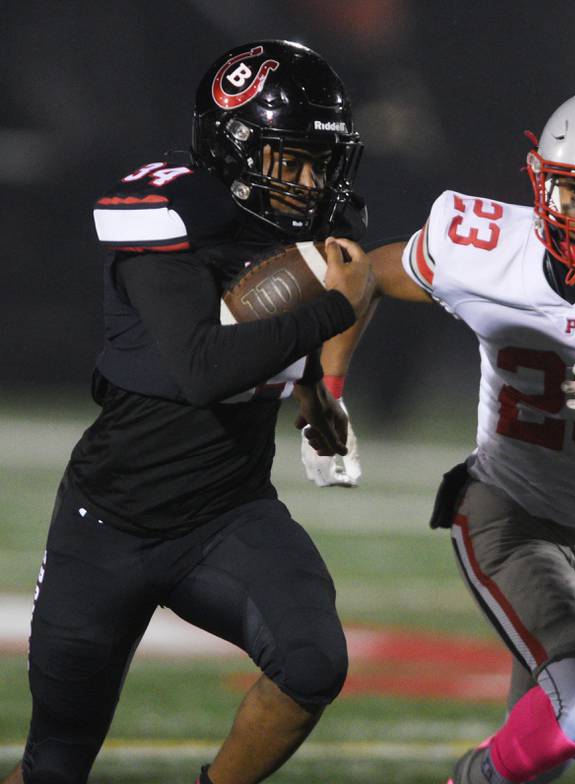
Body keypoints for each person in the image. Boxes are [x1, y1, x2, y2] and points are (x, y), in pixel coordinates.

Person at [305, 84, 575, 783]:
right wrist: (327, 390)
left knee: (551, 740)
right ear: (542, 182)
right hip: (509, 509)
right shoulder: (485, 247)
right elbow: (360, 273)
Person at [2, 40, 374, 784]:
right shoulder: (165, 217)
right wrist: (333, 306)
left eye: (318, 161)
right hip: (107, 525)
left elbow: (350, 288)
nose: (308, 181)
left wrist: (320, 398)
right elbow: (205, 368)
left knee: (312, 664)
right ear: (235, 150)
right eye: (289, 159)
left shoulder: (299, 229)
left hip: (227, 514)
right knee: (55, 768)